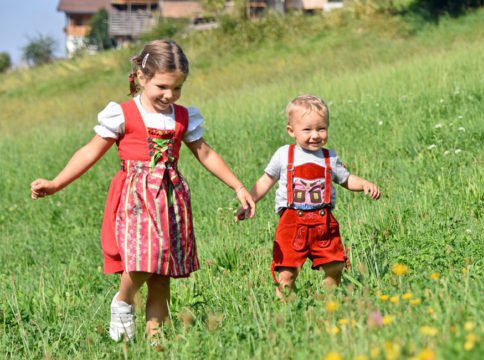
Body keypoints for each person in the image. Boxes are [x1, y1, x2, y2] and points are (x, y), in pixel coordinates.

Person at [30, 39, 255, 342]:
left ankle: (155, 338)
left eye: (177, 88)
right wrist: (56, 183)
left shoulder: (183, 116)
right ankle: (123, 300)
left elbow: (205, 153)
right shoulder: (122, 114)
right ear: (141, 77)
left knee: (162, 273)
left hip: (171, 199)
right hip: (136, 197)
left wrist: (238, 185)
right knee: (144, 259)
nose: (169, 95)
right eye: (162, 86)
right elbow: (89, 152)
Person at [236, 94, 380, 299]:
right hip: (292, 222)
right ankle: (286, 306)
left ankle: (327, 300)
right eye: (307, 130)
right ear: (291, 131)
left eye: (321, 128)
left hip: (324, 221)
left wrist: (364, 184)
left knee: (335, 265)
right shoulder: (285, 154)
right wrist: (249, 201)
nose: (315, 135)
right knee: (287, 271)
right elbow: (265, 181)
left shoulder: (330, 157)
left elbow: (345, 179)